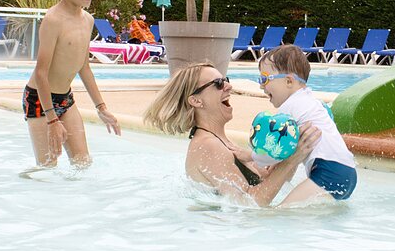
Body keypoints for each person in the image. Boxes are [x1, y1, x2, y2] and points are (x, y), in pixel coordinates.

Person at [143, 62, 322, 207]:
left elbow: (271, 184)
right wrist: (293, 159)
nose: (228, 86)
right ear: (196, 100)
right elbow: (251, 203)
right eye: (218, 84)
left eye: (225, 79)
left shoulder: (223, 142)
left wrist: (291, 149)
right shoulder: (207, 145)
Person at [25, 0, 121, 167]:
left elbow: (83, 67)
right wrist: (52, 120)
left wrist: (101, 107)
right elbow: (41, 73)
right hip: (40, 100)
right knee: (47, 167)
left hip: (65, 99)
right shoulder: (53, 20)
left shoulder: (88, 20)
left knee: (83, 163)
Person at [257, 44, 358, 203]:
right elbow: (289, 157)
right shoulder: (310, 102)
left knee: (281, 213)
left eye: (264, 79)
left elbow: (271, 152)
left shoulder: (289, 108)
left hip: (328, 172)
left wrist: (248, 157)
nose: (261, 86)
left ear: (289, 81)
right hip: (347, 172)